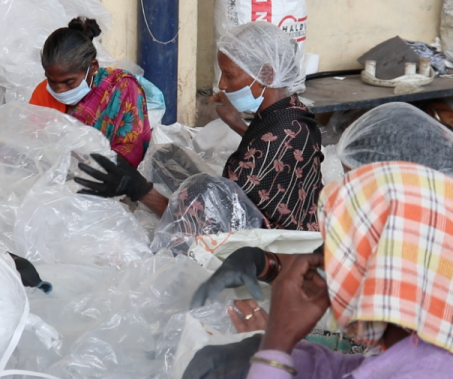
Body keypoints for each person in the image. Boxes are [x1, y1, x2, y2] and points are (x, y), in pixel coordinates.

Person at [187, 162, 453, 379]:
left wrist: (277, 342)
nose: (333, 266)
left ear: (388, 268)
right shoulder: (432, 345)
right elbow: (351, 367)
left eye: (345, 252)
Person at [190, 100, 453, 308]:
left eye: (363, 181)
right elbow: (325, 267)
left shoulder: (442, 253)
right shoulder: (384, 221)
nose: (354, 192)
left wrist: (275, 348)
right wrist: (264, 263)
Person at [74, 21, 323, 232]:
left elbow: (214, 228)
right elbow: (267, 152)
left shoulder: (273, 143)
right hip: (293, 216)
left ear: (267, 75)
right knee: (167, 157)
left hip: (269, 250)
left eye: (229, 75)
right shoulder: (291, 113)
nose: (222, 85)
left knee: (192, 184)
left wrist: (140, 190)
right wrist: (237, 124)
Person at [30, 17, 151, 167]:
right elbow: (33, 144)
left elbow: (130, 150)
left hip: (110, 180)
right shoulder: (43, 93)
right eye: (52, 81)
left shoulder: (121, 88)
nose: (59, 89)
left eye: (68, 82)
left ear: (93, 67)